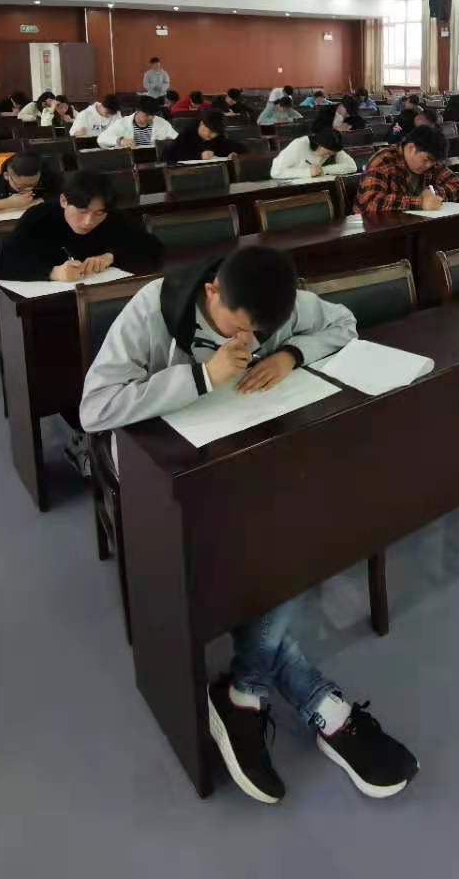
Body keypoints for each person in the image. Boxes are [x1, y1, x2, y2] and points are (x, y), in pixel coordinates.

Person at [78, 245, 417, 804]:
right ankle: (318, 705)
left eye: (258, 333)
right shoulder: (153, 309)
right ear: (212, 291)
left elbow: (342, 322)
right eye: (236, 327)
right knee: (265, 549)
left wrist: (291, 356)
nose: (247, 340)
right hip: (158, 465)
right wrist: (201, 376)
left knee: (286, 534)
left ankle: (244, 695)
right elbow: (95, 408)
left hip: (238, 441)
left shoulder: (272, 301)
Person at [0, 170, 162, 282]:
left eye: (98, 213)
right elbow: (2, 265)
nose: (88, 221)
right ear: (64, 201)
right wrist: (53, 272)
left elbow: (152, 247)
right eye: (82, 211)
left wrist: (110, 256)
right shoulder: (39, 217)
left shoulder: (111, 215)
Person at [355, 126, 459, 215]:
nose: (429, 166)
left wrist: (432, 194)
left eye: (433, 162)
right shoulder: (384, 160)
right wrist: (420, 202)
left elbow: (458, 186)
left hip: (411, 224)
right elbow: (370, 203)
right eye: (426, 160)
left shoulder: (432, 162)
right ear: (411, 148)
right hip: (374, 230)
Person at [271, 127, 357, 179]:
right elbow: (276, 172)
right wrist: (308, 172)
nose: (328, 156)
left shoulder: (333, 146)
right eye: (327, 153)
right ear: (319, 144)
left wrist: (324, 170)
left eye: (331, 154)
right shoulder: (299, 145)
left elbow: (352, 166)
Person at [98, 97, 178, 149]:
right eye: (147, 115)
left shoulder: (161, 123)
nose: (151, 118)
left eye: (153, 115)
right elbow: (101, 139)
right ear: (137, 110)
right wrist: (120, 140)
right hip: (131, 161)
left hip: (155, 160)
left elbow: (177, 139)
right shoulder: (122, 123)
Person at [166, 110, 234, 163]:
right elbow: (171, 154)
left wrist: (232, 153)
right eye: (209, 131)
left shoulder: (218, 134)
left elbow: (227, 146)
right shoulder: (187, 133)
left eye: (214, 133)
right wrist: (199, 156)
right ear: (202, 123)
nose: (210, 135)